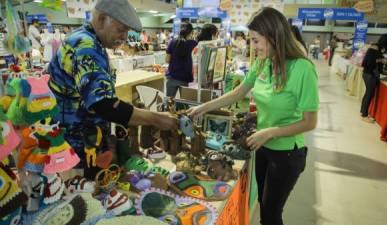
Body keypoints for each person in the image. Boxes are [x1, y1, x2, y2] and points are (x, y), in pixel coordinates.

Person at [188, 7, 319, 225]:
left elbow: (310, 122)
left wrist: (269, 132)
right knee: (264, 206)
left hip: (287, 154)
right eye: (251, 41)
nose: (253, 46)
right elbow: (238, 92)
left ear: (274, 37)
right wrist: (203, 107)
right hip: (263, 146)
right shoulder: (263, 62)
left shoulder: (302, 69)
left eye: (256, 41)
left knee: (270, 214)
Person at [48, 0, 178, 179]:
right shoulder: (85, 46)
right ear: (101, 19)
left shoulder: (92, 41)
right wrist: (155, 119)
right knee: (83, 194)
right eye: (121, 30)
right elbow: (104, 104)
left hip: (87, 138)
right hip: (73, 146)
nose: (124, 37)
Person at [165, 22, 197, 97]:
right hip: (185, 78)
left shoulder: (172, 42)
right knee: (184, 103)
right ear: (192, 32)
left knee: (169, 103)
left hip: (172, 76)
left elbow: (167, 60)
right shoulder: (194, 44)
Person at [360, 43, 387, 123]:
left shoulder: (369, 52)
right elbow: (371, 64)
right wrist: (380, 60)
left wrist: (379, 60)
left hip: (366, 74)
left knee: (367, 94)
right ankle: (364, 115)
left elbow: (366, 63)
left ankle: (363, 112)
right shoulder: (374, 53)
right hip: (370, 76)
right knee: (369, 94)